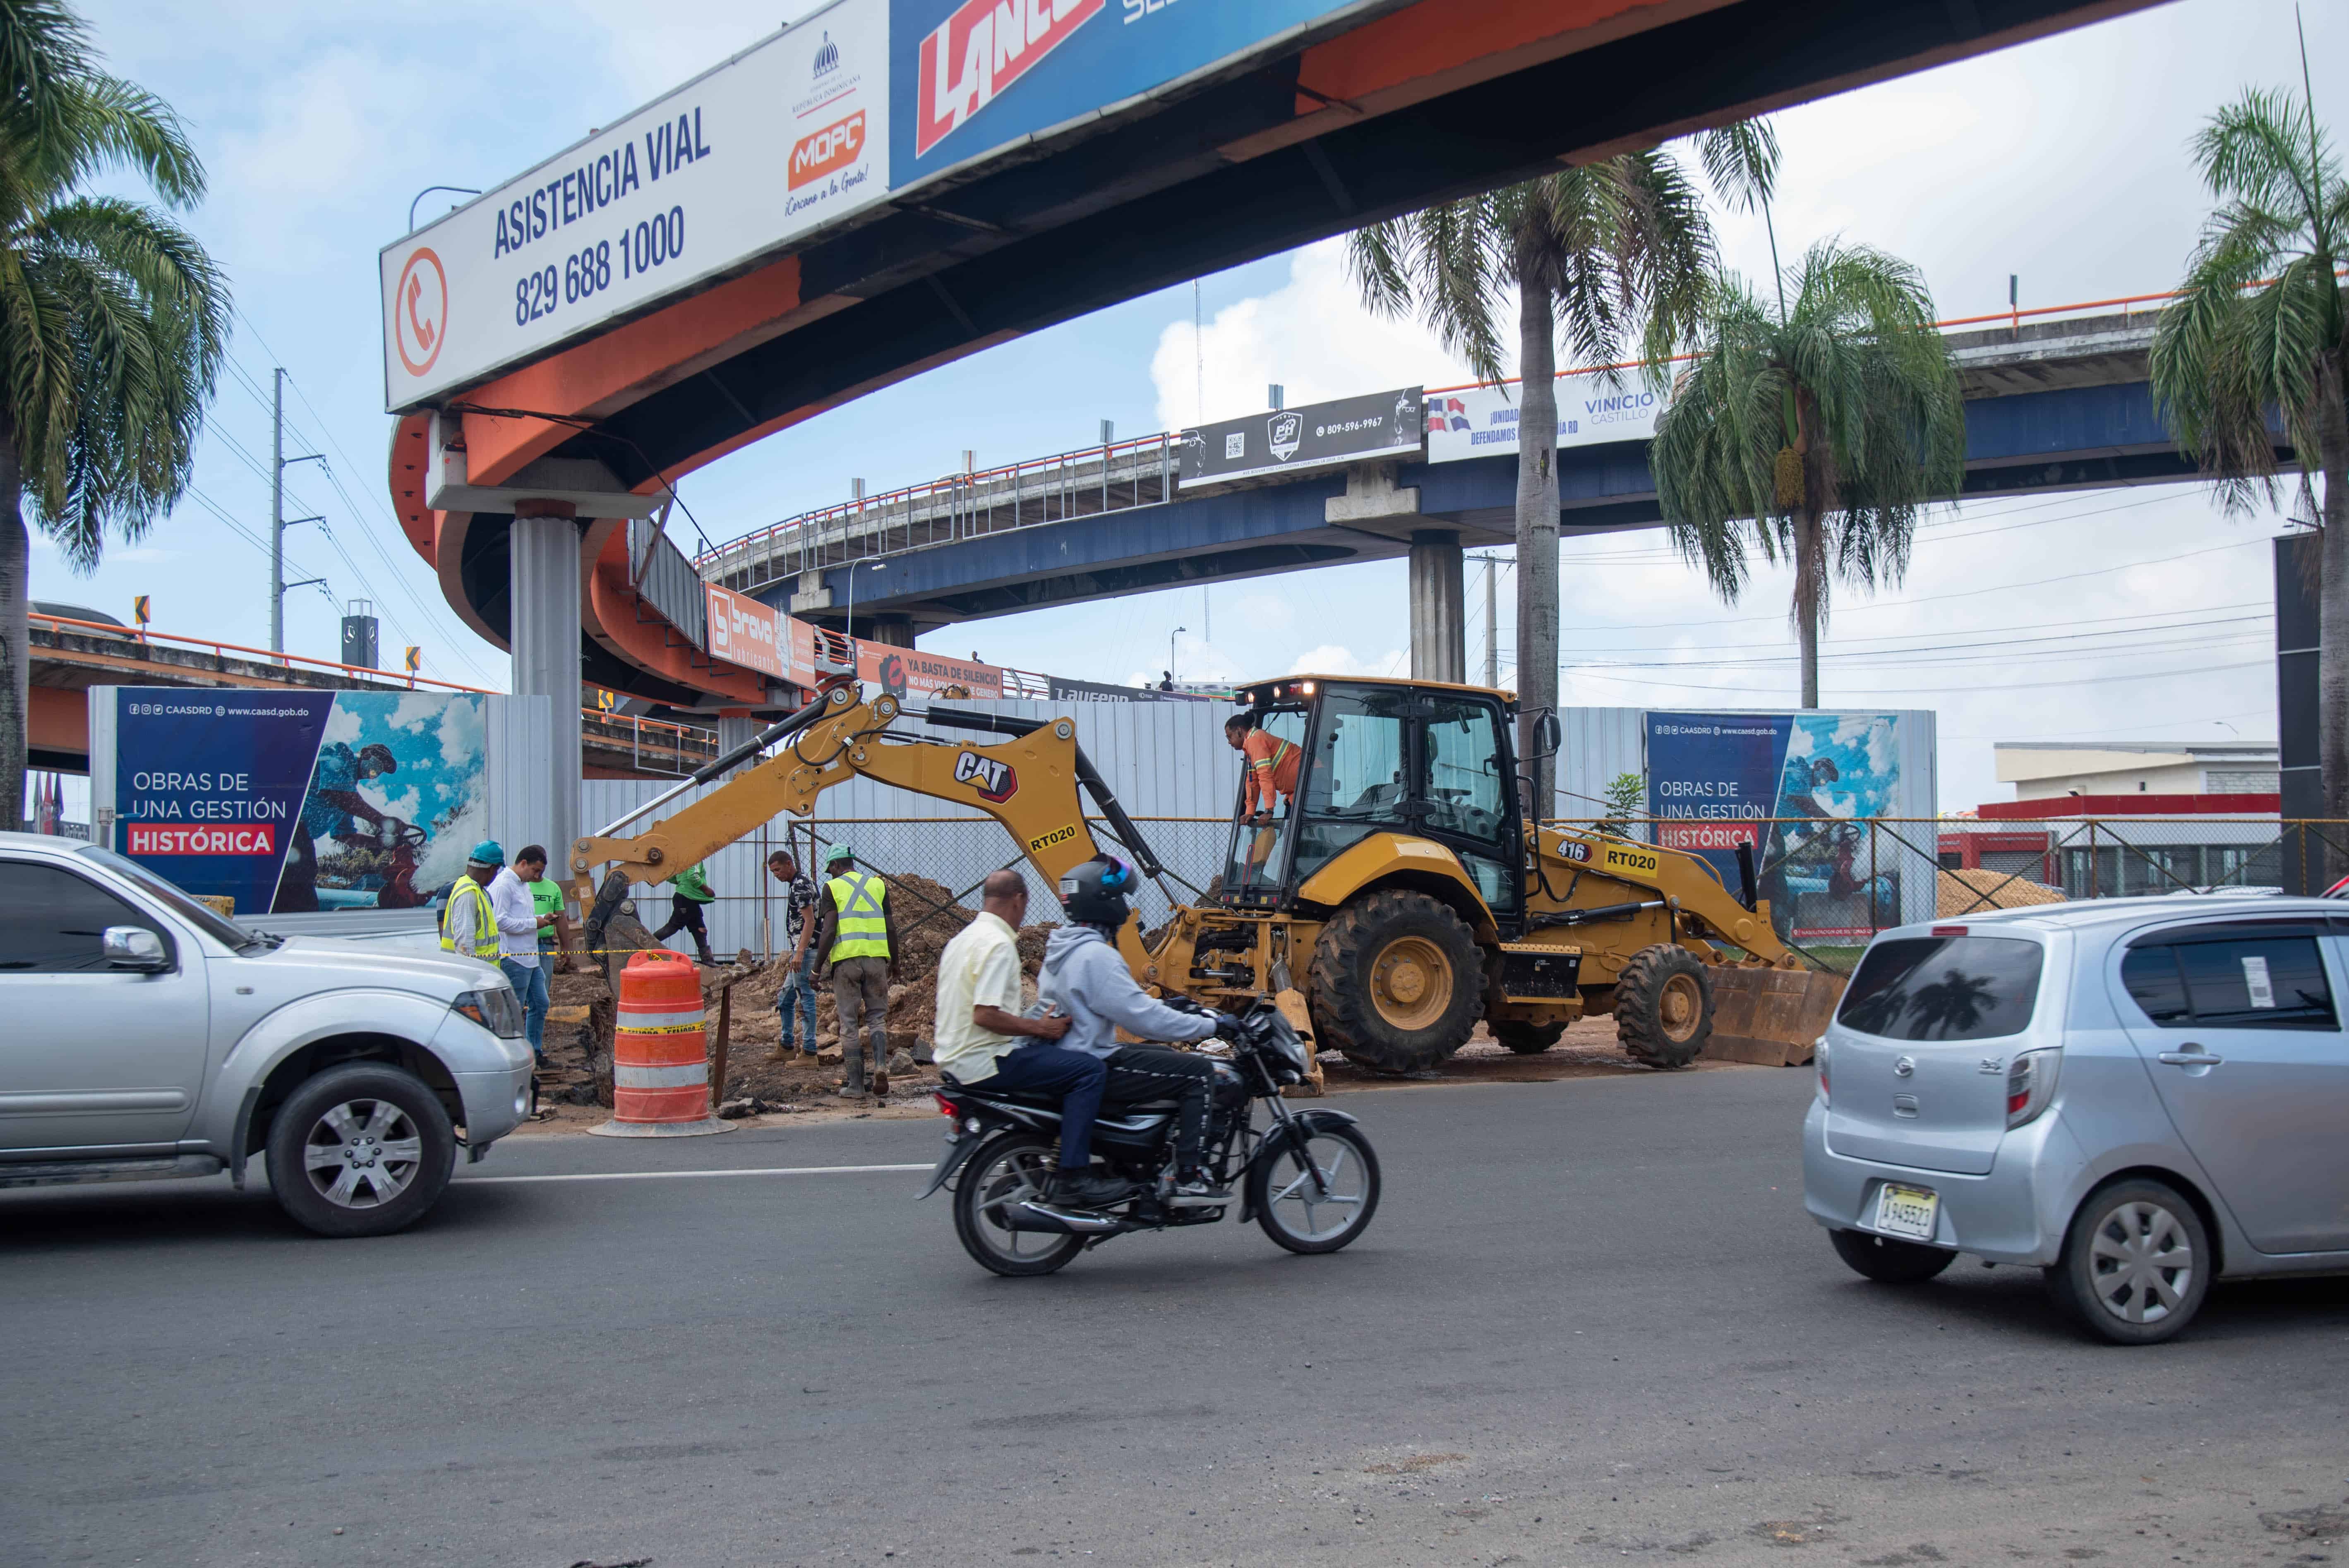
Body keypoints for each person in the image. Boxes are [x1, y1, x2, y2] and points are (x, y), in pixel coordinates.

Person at [1040, 856, 1226, 1203]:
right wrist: (1209, 1023)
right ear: (1104, 902)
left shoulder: (1062, 948)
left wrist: (1169, 1008)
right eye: (1120, 899)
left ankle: (1140, 1155)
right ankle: (1189, 1176)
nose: (1125, 908)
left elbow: (1121, 1004)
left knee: (1162, 1056)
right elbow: (1141, 1020)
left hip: (1071, 1054)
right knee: (1199, 1072)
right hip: (1093, 1060)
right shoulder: (1096, 956)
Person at [933, 869, 1123, 1209]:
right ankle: (1073, 1176)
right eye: (1025, 905)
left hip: (954, 1058)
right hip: (986, 1062)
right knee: (1088, 1071)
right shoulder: (999, 945)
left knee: (1053, 1067)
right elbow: (985, 1015)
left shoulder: (963, 939)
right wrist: (1041, 1029)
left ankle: (1029, 1156)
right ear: (1019, 900)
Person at [813, 843, 900, 1098]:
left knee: (849, 1023)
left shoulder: (832, 887)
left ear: (836, 865)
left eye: (830, 869)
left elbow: (829, 930)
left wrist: (817, 969)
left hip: (847, 963)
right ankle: (882, 1067)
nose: (829, 874)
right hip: (877, 960)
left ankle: (856, 1086)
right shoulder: (878, 885)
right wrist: (895, 963)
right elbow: (891, 928)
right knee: (877, 1019)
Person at [276, 741, 397, 913]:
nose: (378, 771)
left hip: (301, 836)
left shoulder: (347, 791)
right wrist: (386, 822)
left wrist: (383, 842)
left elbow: (346, 835)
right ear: (365, 753)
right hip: (287, 825)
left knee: (300, 877)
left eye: (382, 769)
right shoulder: (341, 752)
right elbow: (341, 796)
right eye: (379, 762)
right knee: (300, 878)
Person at [489, 846, 559, 1063]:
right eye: (535, 871)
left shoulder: (523, 885)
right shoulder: (504, 885)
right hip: (514, 957)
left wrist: (541, 918)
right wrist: (534, 923)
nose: (537, 876)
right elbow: (499, 921)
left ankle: (534, 1052)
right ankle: (509, 1057)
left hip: (531, 957)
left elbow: (522, 916)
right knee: (514, 1009)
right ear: (523, 864)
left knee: (540, 1003)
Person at [763, 849, 821, 1065]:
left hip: (804, 952)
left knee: (805, 998)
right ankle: (787, 1046)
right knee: (785, 999)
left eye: (778, 870)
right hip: (802, 951)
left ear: (789, 864)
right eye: (773, 872)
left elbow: (810, 922)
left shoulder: (800, 885)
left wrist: (800, 952)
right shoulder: (799, 883)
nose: (776, 875)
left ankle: (809, 1052)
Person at [1225, 712, 1302, 822]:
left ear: (1239, 731)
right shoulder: (1251, 749)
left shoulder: (1255, 739)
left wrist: (1269, 811)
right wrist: (1250, 812)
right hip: (1296, 793)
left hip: (1312, 782)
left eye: (1229, 737)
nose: (1229, 742)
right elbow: (1252, 782)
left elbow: (1265, 775)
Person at [438, 841, 506, 964]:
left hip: (485, 974)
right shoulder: (468, 893)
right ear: (492, 869)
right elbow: (465, 947)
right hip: (477, 976)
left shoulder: (479, 891)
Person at [653, 860, 717, 965]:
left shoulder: (684, 858)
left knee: (701, 930)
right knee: (672, 927)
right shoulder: (695, 858)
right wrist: (706, 889)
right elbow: (693, 876)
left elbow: (671, 877)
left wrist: (682, 881)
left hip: (688, 899)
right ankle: (645, 945)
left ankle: (709, 962)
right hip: (686, 899)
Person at [526, 857, 581, 975]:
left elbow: (561, 920)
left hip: (545, 944)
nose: (537, 875)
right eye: (535, 870)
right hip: (523, 944)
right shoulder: (522, 886)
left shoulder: (553, 888)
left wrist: (566, 948)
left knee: (543, 987)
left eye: (541, 871)